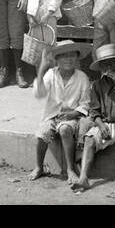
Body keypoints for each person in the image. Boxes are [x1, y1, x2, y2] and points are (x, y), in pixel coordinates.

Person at [71, 43, 115, 193]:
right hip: (105, 122)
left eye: (112, 63)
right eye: (105, 65)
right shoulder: (97, 85)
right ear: (101, 68)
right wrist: (100, 125)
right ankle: (83, 178)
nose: (109, 68)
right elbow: (94, 111)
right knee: (89, 139)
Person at [31, 40, 91, 183]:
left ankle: (70, 169)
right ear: (56, 59)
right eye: (64, 56)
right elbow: (39, 93)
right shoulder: (51, 74)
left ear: (77, 58)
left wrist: (74, 113)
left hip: (72, 117)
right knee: (42, 132)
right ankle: (39, 166)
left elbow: (86, 103)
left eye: (72, 55)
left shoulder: (82, 77)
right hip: (52, 115)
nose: (68, 59)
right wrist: (41, 70)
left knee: (65, 129)